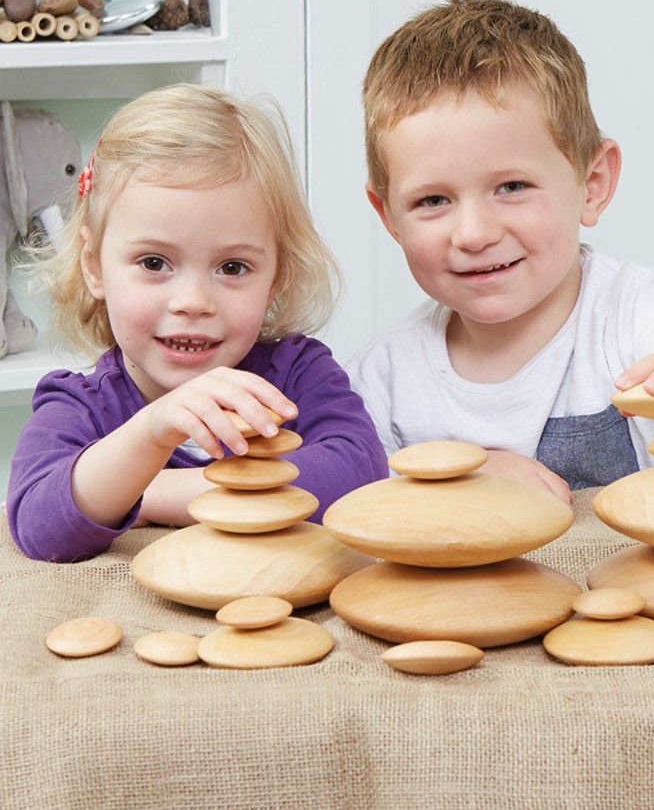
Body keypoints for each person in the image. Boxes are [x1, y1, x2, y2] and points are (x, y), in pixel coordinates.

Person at [346, 0, 654, 503]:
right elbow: (356, 499)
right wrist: (457, 482)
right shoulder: (381, 380)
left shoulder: (632, 314)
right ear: (388, 215)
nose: (474, 233)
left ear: (591, 184)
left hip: (640, 581)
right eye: (433, 200)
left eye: (512, 187)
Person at [7, 83, 387, 562]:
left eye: (232, 268)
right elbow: (39, 527)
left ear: (275, 278)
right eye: (154, 262)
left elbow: (360, 476)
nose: (192, 301)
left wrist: (158, 493)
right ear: (94, 265)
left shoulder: (297, 376)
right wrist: (151, 433)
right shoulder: (80, 408)